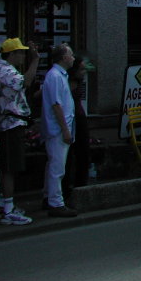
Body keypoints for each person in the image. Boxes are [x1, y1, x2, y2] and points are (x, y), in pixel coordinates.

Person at [0, 38, 39, 225]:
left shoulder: (3, 69)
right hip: (9, 125)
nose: (23, 56)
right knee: (10, 167)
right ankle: (8, 209)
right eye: (20, 52)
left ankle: (4, 205)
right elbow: (25, 82)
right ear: (11, 54)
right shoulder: (5, 70)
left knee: (8, 166)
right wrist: (35, 60)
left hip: (10, 123)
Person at [41, 43, 77, 217]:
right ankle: (56, 203)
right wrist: (65, 130)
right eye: (71, 54)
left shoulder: (59, 75)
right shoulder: (55, 76)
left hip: (60, 128)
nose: (73, 58)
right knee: (57, 167)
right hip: (57, 130)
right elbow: (56, 105)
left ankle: (48, 196)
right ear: (64, 57)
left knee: (53, 165)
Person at [63, 56, 91, 195]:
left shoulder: (79, 82)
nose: (84, 72)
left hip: (80, 118)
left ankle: (81, 184)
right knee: (67, 155)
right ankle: (66, 186)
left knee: (83, 152)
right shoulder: (64, 82)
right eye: (81, 69)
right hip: (69, 119)